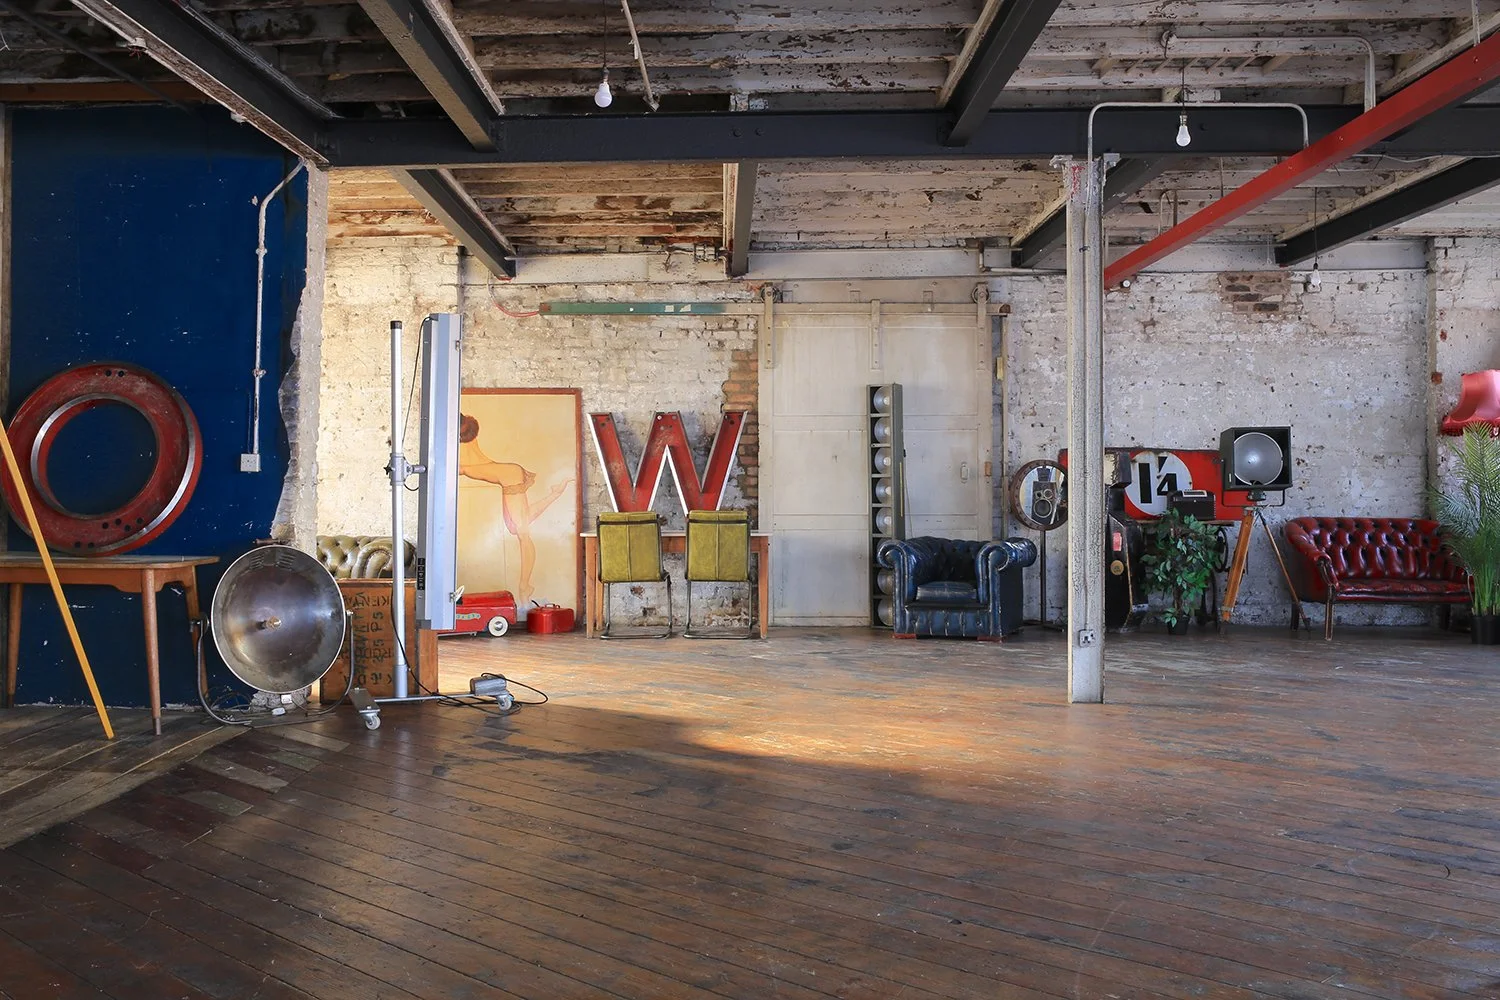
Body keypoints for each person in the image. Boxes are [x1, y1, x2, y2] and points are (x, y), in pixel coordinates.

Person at [457, 412, 572, 604]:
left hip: (507, 473)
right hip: (505, 471)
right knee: (518, 528)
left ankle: (524, 585)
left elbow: (468, 465)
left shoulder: (460, 452)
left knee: (522, 532)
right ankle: (556, 493)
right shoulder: (466, 442)